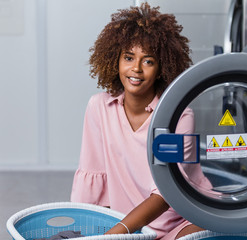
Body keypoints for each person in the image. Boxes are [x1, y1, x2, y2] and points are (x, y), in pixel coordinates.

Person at [70, 3, 206, 239]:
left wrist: (117, 233)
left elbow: (167, 194)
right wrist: (92, 233)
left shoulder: (180, 116)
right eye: (129, 57)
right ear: (115, 61)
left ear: (162, 67)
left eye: (148, 61)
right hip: (129, 222)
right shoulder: (99, 107)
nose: (136, 69)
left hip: (182, 219)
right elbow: (93, 180)